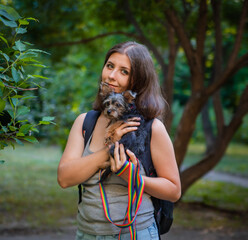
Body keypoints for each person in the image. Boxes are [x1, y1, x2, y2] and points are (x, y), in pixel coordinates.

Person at [57, 41, 181, 240]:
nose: (112, 76)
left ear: (138, 80)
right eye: (110, 66)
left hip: (135, 233)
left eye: (124, 71)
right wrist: (107, 153)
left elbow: (174, 191)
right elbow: (64, 178)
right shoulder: (85, 122)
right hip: (87, 233)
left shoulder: (152, 128)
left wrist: (130, 176)